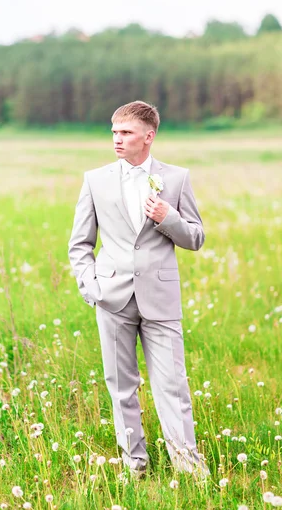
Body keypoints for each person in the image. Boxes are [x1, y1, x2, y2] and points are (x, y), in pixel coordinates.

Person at [68, 100, 209, 479]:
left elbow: (195, 237)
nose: (117, 139)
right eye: (114, 132)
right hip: (111, 297)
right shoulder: (94, 180)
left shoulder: (177, 178)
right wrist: (91, 286)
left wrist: (168, 218)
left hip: (160, 299)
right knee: (121, 387)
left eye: (126, 133)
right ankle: (135, 465)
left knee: (172, 386)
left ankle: (189, 467)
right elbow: (80, 244)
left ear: (149, 136)